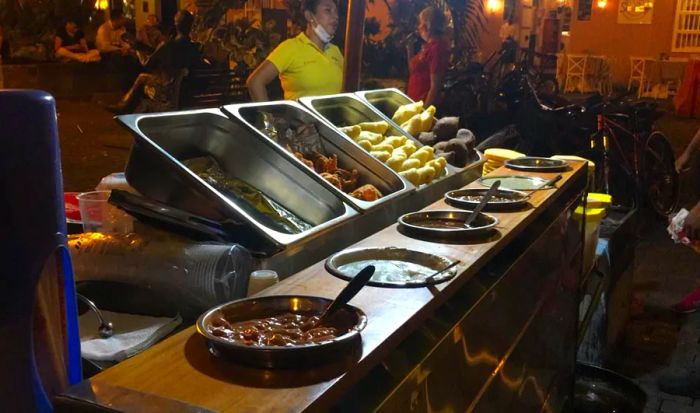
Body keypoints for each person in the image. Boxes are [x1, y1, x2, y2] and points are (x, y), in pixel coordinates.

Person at [107, 10, 207, 114]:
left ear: (176, 24)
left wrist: (138, 49)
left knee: (142, 78)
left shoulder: (166, 45)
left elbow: (147, 64)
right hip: (188, 93)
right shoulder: (195, 48)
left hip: (168, 92)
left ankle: (124, 107)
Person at [246, 0, 342, 101]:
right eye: (328, 10)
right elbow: (255, 82)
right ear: (309, 16)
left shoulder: (335, 51)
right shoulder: (290, 47)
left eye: (336, 12)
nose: (336, 16)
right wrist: (267, 115)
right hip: (301, 117)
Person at [406, 6, 451, 107]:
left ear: (427, 25)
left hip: (422, 104)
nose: (418, 27)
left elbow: (435, 86)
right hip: (414, 101)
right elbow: (413, 70)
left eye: (420, 23)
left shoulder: (437, 47)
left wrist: (424, 114)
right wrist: (410, 50)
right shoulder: (429, 45)